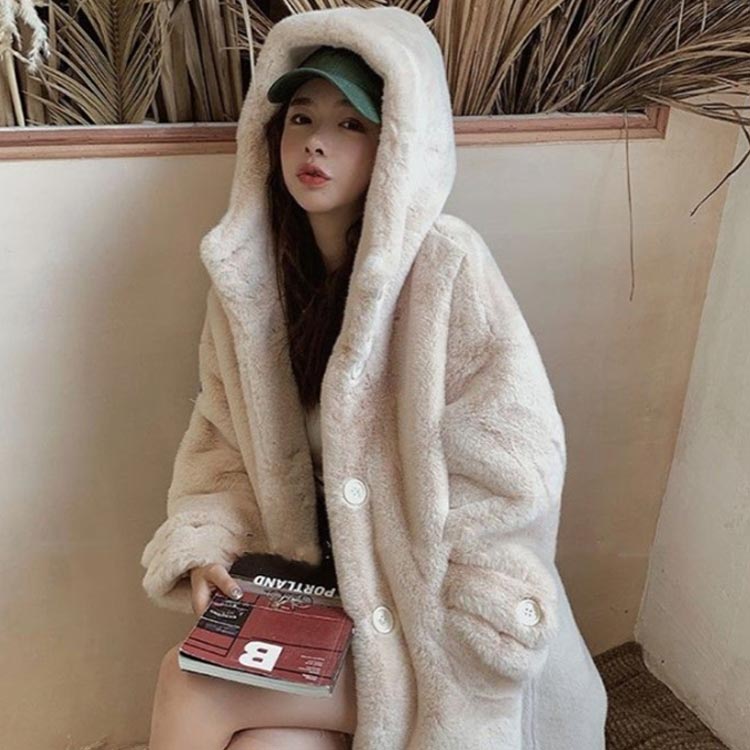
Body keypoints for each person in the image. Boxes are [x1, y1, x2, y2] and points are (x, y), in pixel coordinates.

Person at [140, 6, 608, 750]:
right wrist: (208, 542)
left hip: (423, 627)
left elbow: (516, 458)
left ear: (396, 144)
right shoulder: (249, 288)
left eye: (349, 124)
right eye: (301, 118)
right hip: (316, 607)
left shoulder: (447, 266)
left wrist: (475, 604)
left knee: (187, 682)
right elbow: (222, 443)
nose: (315, 142)